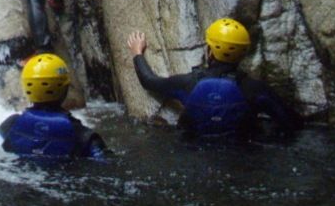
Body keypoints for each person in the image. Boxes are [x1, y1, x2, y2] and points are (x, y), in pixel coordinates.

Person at [126, 18, 302, 137]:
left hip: (193, 151)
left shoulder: (188, 83)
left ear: (209, 51)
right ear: (243, 55)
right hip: (242, 156)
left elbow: (149, 82)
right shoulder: (255, 89)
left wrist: (137, 53)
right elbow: (291, 123)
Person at [0, 53, 107, 159]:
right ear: (65, 89)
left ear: (27, 89)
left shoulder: (10, 125)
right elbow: (104, 162)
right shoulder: (82, 135)